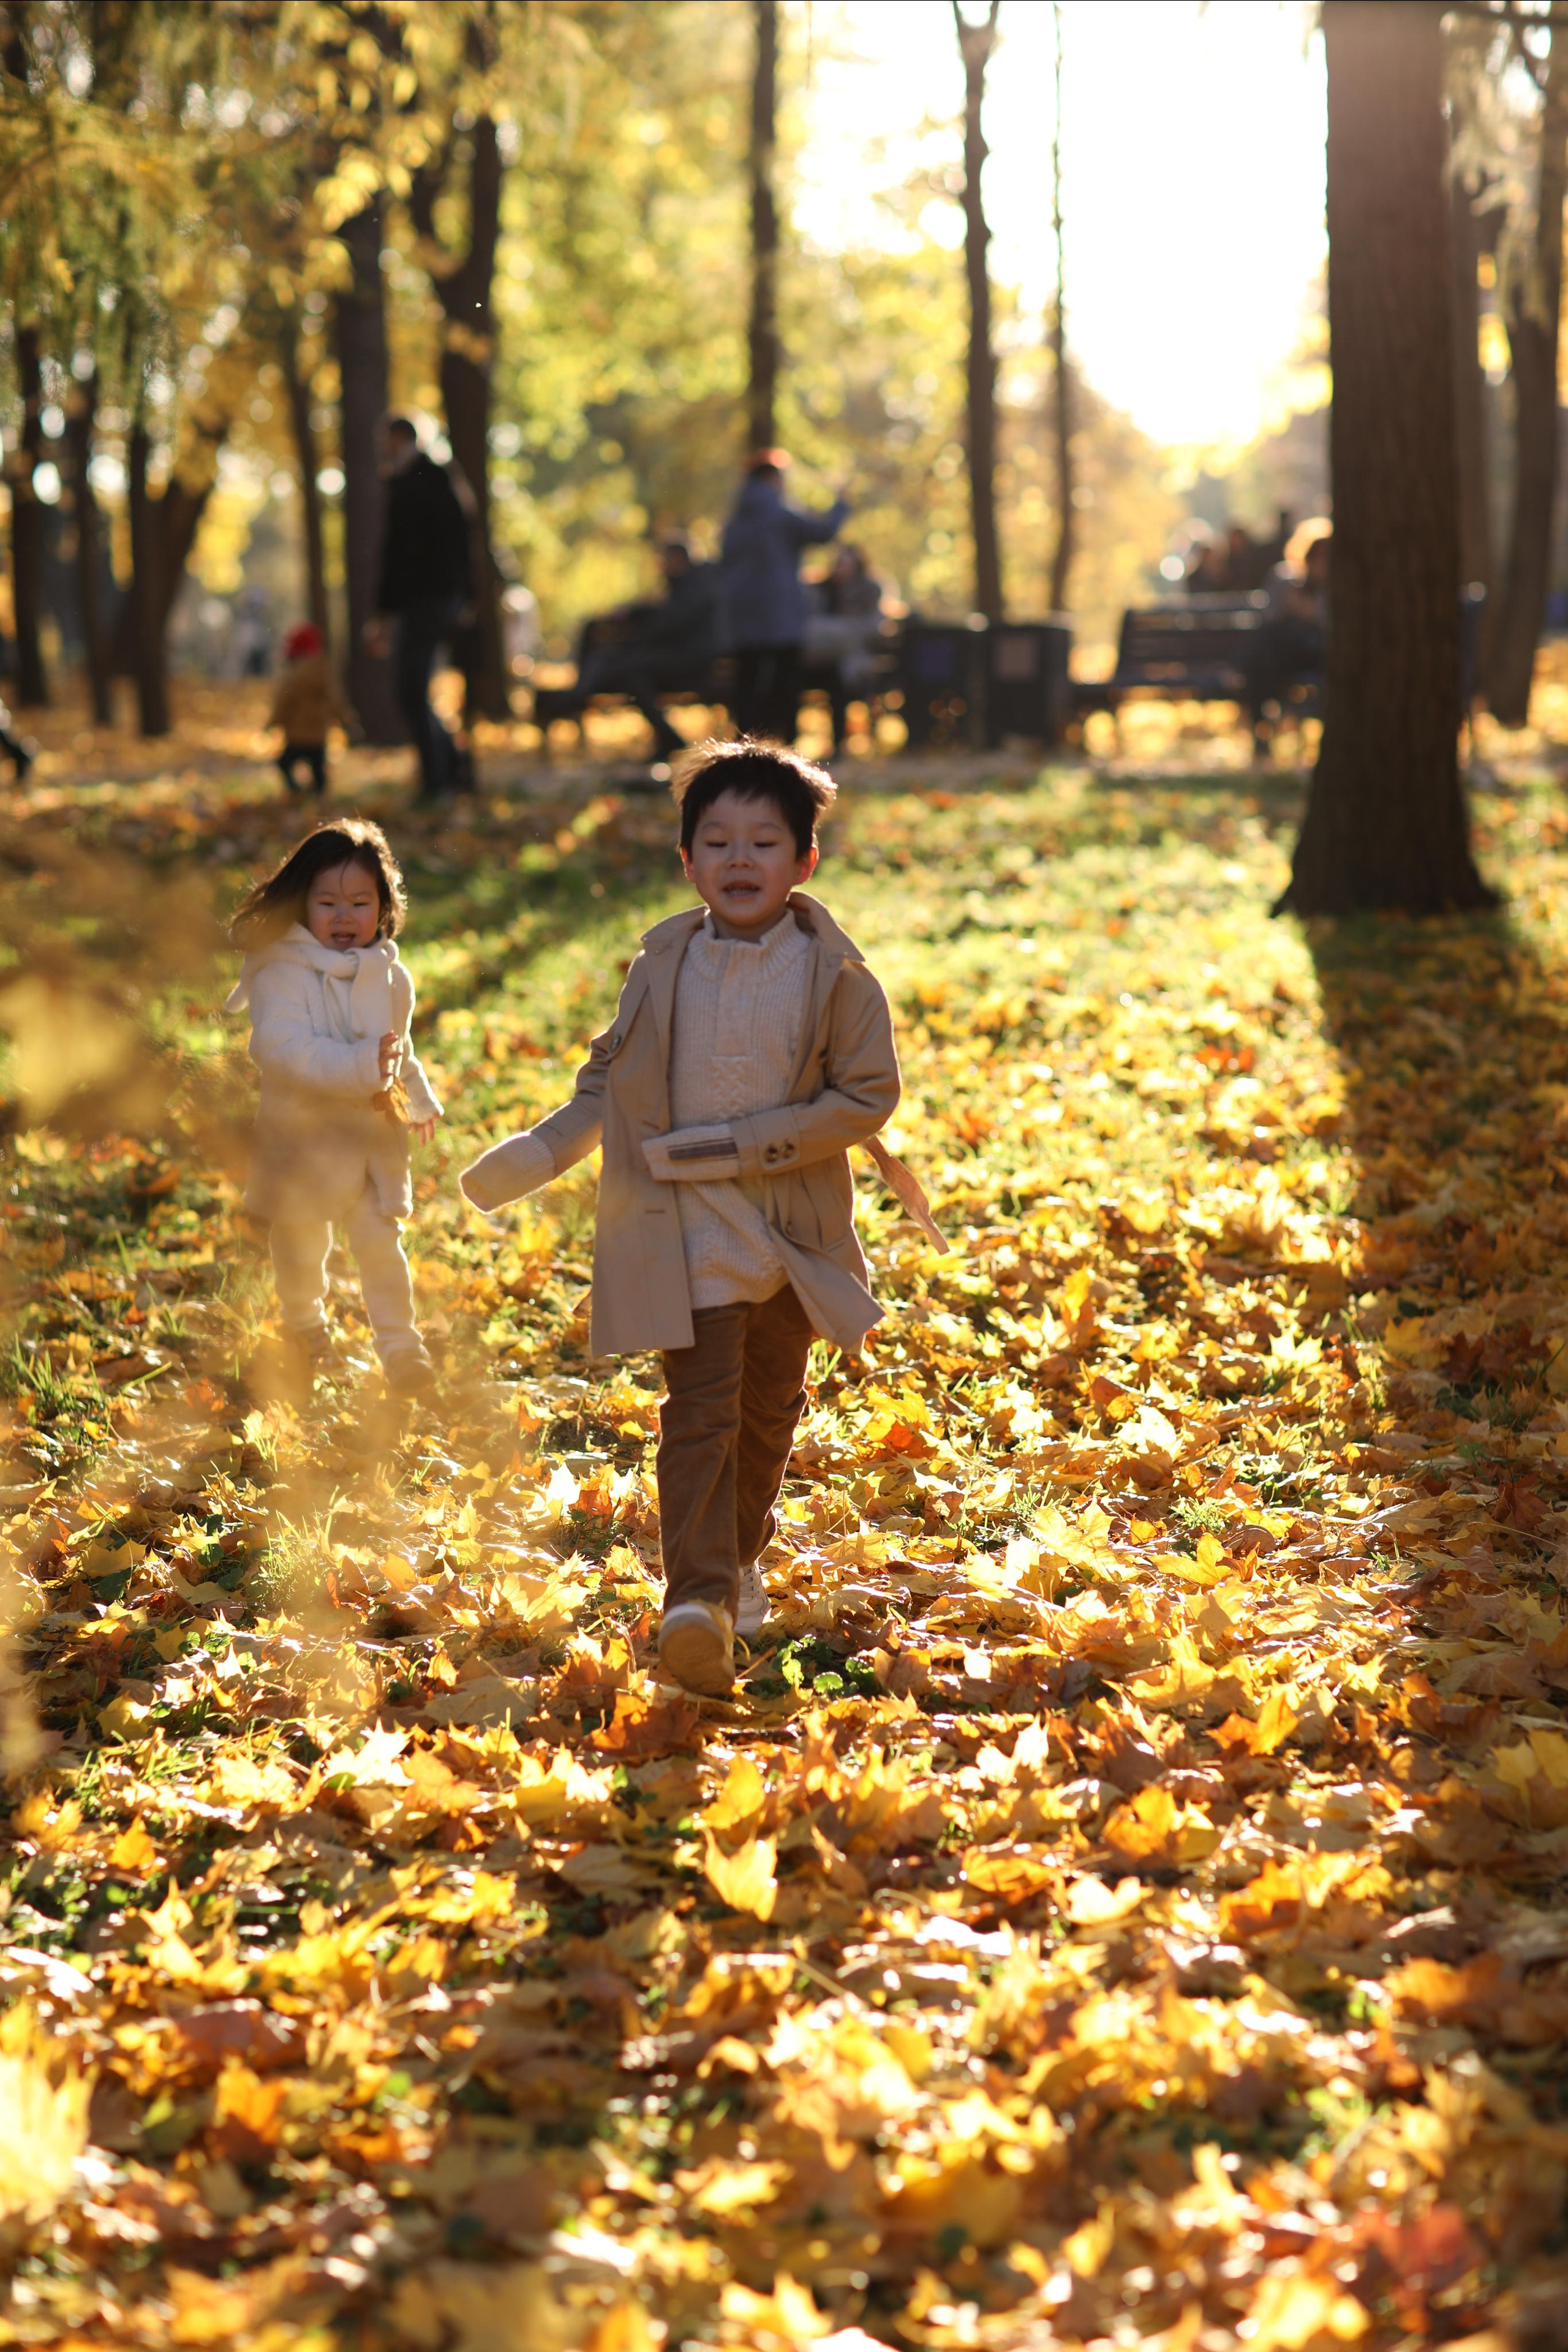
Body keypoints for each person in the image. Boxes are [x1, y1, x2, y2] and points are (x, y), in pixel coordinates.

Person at [459, 740, 915, 1699]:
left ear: (804, 863)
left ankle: (741, 1555)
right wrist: (539, 1155)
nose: (740, 860)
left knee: (766, 1415)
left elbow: (868, 1096)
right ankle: (695, 1603)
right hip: (687, 1231)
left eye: (763, 842)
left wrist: (759, 1140)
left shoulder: (834, 974)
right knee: (700, 1414)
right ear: (688, 863)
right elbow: (609, 1085)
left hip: (793, 1236)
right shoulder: (662, 965)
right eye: (717, 842)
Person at [227, 819, 443, 1400]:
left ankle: (402, 1347)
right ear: (302, 904)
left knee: (380, 1240)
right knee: (302, 1245)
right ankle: (305, 1326)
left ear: (384, 907)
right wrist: (358, 1066)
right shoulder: (282, 971)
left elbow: (398, 1048)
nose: (344, 916)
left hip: (372, 1140)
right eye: (327, 902)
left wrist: (417, 1098)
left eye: (359, 902)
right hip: (303, 1142)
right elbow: (281, 1049)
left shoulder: (389, 975)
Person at [534, 535, 720, 764]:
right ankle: (666, 736)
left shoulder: (695, 586)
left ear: (680, 558)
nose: (662, 565)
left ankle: (575, 696)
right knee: (628, 672)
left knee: (627, 669)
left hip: (692, 661)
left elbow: (673, 623)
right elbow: (666, 615)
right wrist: (634, 614)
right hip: (683, 657)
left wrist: (636, 632)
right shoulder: (689, 583)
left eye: (666, 559)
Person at [364, 417, 473, 802]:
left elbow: (398, 555)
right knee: (415, 688)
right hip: (437, 600)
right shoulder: (440, 478)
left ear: (398, 439)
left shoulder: (413, 482)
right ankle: (450, 768)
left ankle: (439, 778)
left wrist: (382, 614)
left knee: (410, 687)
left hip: (425, 601)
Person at [718, 453, 850, 742]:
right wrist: (841, 503)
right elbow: (823, 532)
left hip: (743, 616)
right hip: (781, 615)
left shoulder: (734, 521)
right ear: (772, 478)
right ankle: (786, 743)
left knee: (747, 680)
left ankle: (744, 744)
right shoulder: (780, 513)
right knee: (786, 680)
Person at [1242, 527, 1330, 755]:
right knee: (1263, 655)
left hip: (1310, 653)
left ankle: (1262, 725)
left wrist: (1306, 612)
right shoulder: (1286, 580)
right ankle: (1262, 726)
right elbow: (1268, 617)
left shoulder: (1332, 589)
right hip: (1279, 654)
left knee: (1262, 657)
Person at [804, 544, 885, 758]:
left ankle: (839, 746)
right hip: (815, 661)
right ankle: (788, 742)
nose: (842, 569)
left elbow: (873, 628)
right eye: (839, 563)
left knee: (838, 680)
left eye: (847, 564)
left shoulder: (869, 591)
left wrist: (842, 632)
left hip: (851, 663)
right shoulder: (819, 590)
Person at [267, 622, 350, 798]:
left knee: (284, 764)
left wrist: (273, 723)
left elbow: (284, 703)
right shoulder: (326, 673)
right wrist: (346, 721)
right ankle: (320, 796)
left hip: (297, 736)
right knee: (318, 769)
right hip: (319, 735)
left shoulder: (294, 676)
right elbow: (336, 702)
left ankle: (296, 790)